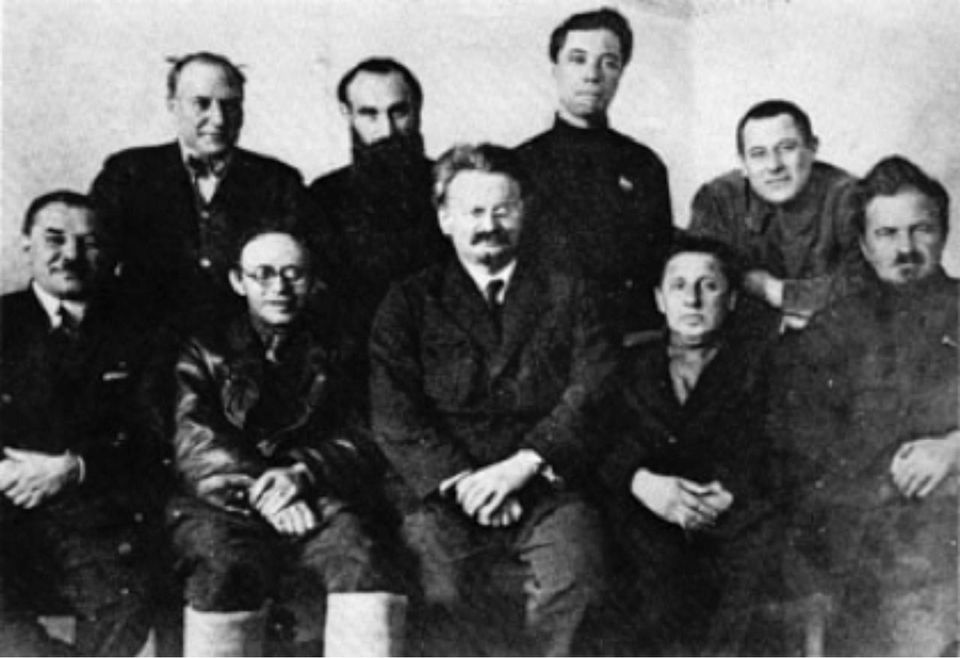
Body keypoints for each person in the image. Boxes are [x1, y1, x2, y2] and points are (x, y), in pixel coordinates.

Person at [370, 143, 615, 656]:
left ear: (524, 212)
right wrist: (464, 484)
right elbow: (396, 413)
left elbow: (592, 391)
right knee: (440, 587)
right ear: (445, 219)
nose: (489, 225)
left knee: (575, 571)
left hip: (545, 484)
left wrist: (521, 467)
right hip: (441, 494)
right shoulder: (408, 301)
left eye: (503, 210)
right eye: (474, 212)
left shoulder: (569, 293)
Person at [168, 224, 405, 657]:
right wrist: (265, 494)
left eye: (293, 274)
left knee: (362, 560)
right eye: (263, 274)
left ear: (312, 282)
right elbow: (197, 445)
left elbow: (366, 433)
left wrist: (302, 472)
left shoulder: (341, 349)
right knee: (223, 567)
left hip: (317, 495)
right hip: (222, 501)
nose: (279, 287)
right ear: (238, 281)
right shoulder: (203, 351)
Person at [769, 156, 958, 655]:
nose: (905, 249)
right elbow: (803, 446)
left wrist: (955, 448)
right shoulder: (832, 330)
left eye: (921, 230)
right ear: (864, 245)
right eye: (887, 233)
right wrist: (889, 481)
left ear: (944, 233)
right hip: (867, 530)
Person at [0, 192, 168, 656]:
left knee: (129, 595)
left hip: (94, 508)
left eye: (89, 243)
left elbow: (153, 435)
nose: (71, 256)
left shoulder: (141, 332)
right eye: (54, 239)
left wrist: (74, 467)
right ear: (26, 244)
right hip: (4, 502)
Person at [593, 236, 778, 655]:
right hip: (647, 515)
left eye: (708, 286)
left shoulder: (763, 364)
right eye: (678, 286)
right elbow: (598, 441)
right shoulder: (625, 365)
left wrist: (732, 489)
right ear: (660, 300)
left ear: (732, 299)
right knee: (639, 583)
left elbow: (781, 442)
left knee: (752, 571)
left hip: (731, 515)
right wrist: (640, 481)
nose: (692, 300)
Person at [90, 51, 310, 332]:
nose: (218, 119)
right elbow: (96, 267)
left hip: (245, 344)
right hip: (146, 340)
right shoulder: (127, 174)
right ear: (173, 106)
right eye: (201, 104)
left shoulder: (278, 181)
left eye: (230, 105)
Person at [517, 7, 673, 336]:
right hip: (547, 341)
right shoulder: (519, 164)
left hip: (631, 339)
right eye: (578, 59)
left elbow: (658, 265)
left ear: (621, 74)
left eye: (609, 63)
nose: (592, 75)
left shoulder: (644, 165)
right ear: (555, 69)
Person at [308, 57, 448, 408]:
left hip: (443, 371)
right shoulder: (322, 197)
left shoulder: (453, 188)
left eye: (399, 112)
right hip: (352, 378)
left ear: (418, 110)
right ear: (347, 115)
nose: (386, 130)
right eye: (369, 114)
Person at [688, 99, 859, 331]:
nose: (774, 165)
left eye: (787, 148)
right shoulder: (719, 199)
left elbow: (869, 284)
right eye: (758, 154)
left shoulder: (848, 197)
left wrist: (775, 291)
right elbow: (699, 285)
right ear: (743, 163)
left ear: (813, 148)